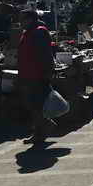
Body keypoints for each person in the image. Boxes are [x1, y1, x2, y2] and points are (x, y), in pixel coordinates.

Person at [18, 9, 55, 145]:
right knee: (33, 105)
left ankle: (41, 132)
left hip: (37, 75)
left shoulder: (39, 32)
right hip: (28, 74)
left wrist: (46, 73)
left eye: (23, 19)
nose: (20, 22)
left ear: (30, 19)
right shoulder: (28, 32)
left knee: (36, 105)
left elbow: (44, 55)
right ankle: (40, 130)